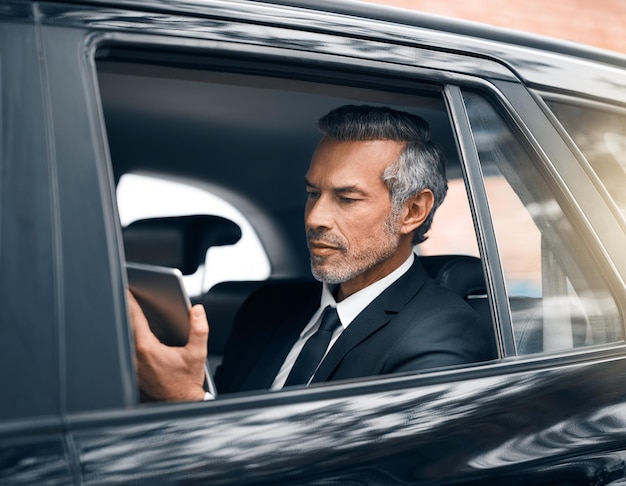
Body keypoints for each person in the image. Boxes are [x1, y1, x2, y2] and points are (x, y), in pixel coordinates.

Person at [130, 104, 495, 401]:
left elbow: (357, 470)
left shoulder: (444, 335)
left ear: (412, 211)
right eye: (312, 193)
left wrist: (187, 404)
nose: (315, 217)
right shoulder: (267, 308)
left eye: (347, 198)